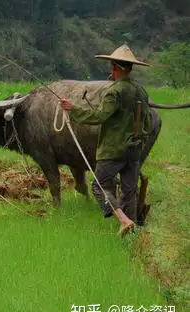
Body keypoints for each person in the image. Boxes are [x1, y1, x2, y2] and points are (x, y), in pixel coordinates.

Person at [59, 44, 152, 237]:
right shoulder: (141, 91)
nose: (110, 70)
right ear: (130, 68)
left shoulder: (114, 91)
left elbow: (99, 116)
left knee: (99, 186)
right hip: (135, 148)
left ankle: (124, 221)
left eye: (111, 66)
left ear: (115, 68)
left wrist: (72, 108)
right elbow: (148, 122)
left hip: (113, 150)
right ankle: (132, 232)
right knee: (129, 190)